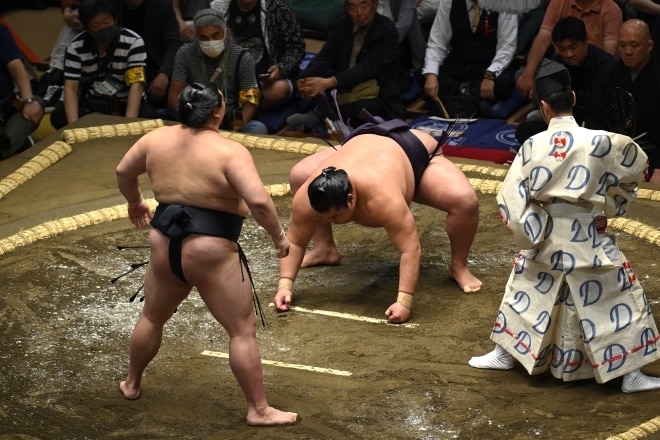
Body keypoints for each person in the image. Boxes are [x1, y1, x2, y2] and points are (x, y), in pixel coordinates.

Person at [468, 59, 660, 393]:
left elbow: (511, 197)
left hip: (546, 235)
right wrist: (607, 207)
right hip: (588, 232)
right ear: (573, 98)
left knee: (527, 290)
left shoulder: (531, 146)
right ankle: (631, 374)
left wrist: (532, 232)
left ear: (543, 107)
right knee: (614, 296)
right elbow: (634, 172)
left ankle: (505, 353)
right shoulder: (603, 142)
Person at [115, 81, 297, 426]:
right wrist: (279, 238)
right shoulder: (229, 152)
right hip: (211, 250)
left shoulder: (155, 139)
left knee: (152, 317)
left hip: (164, 242)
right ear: (217, 111)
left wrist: (135, 201)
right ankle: (258, 410)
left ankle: (132, 383)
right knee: (241, 331)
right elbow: (259, 202)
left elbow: (123, 171)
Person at [273, 113, 482, 324]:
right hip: (361, 142)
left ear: (350, 199)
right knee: (299, 174)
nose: (329, 221)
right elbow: (295, 242)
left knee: (465, 200)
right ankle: (325, 249)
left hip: (413, 150)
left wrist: (404, 302)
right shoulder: (307, 197)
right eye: (321, 217)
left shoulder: (384, 198)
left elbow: (410, 249)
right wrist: (285, 286)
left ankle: (458, 267)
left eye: (334, 216)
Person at [291, 0, 406, 133]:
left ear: (374, 5)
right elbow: (325, 56)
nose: (359, 13)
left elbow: (367, 68)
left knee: (360, 110)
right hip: (343, 86)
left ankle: (327, 118)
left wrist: (330, 82)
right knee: (313, 87)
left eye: (364, 6)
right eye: (352, 7)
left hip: (374, 91)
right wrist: (305, 78)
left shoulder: (387, 30)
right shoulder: (342, 24)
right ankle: (329, 119)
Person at [50, 0, 156, 130]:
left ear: (115, 19)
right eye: (96, 25)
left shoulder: (134, 42)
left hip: (124, 102)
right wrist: (74, 127)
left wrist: (129, 124)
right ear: (87, 27)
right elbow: (71, 87)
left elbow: (137, 84)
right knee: (59, 116)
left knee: (147, 116)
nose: (103, 28)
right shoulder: (75, 47)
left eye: (107, 22)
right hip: (92, 102)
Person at [515, 16, 615, 143]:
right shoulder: (557, 64)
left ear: (586, 40)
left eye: (573, 47)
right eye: (562, 49)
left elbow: (608, 109)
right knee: (524, 131)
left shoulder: (605, 64)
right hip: (568, 121)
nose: (569, 54)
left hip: (597, 123)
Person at [167, 8, 267, 134]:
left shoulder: (243, 57)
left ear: (226, 33)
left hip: (229, 118)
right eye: (204, 37)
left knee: (258, 128)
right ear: (196, 37)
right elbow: (173, 97)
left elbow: (251, 101)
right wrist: (192, 120)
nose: (210, 42)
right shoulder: (185, 54)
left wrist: (236, 128)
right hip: (195, 117)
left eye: (215, 36)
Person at [586, 19, 660, 185]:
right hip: (611, 150)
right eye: (623, 45)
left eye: (634, 45)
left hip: (650, 153)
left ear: (649, 45)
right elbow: (594, 120)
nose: (627, 51)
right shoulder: (606, 74)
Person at [422, 0, 518, 118]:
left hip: (488, 64)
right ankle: (475, 102)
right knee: (425, 73)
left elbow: (506, 47)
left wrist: (490, 75)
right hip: (459, 63)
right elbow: (437, 42)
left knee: (505, 81)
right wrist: (431, 75)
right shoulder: (449, 1)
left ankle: (456, 98)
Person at [209, 0, 305, 110]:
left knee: (279, 90)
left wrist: (280, 69)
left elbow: (296, 47)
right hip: (226, 78)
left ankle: (232, 103)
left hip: (265, 82)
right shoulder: (215, 9)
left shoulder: (278, 9)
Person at [516, 0, 623, 99]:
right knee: (523, 76)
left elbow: (609, 55)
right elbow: (543, 39)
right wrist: (528, 74)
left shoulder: (611, 9)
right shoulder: (558, 2)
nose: (569, 53)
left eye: (573, 47)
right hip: (563, 66)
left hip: (593, 70)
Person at [118, 0, 183, 112]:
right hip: (119, 69)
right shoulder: (109, 4)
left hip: (154, 70)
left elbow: (174, 43)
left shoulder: (161, 5)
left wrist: (164, 74)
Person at [0, 24, 44, 160]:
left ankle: (12, 141)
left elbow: (16, 66)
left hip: (4, 108)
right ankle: (16, 142)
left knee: (36, 104)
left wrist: (28, 100)